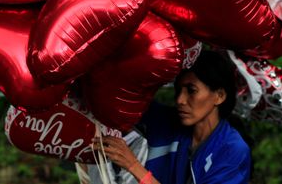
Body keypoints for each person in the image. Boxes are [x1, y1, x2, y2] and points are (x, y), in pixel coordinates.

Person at [94, 50, 251, 184]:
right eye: (178, 90)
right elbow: (124, 96)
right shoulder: (164, 121)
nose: (180, 100)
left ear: (219, 96)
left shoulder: (233, 151)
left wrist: (133, 165)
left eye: (191, 90)